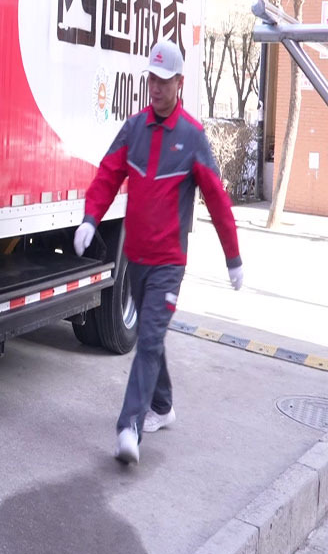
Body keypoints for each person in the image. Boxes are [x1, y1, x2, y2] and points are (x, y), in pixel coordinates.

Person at [73, 39, 242, 465]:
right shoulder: (134, 129)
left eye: (164, 81)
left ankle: (129, 428)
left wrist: (233, 258)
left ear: (180, 82)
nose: (156, 88)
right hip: (136, 258)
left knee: (147, 339)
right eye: (152, 79)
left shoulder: (192, 137)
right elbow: (108, 174)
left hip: (169, 262)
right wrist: (90, 218)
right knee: (153, 335)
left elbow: (218, 200)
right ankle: (163, 405)